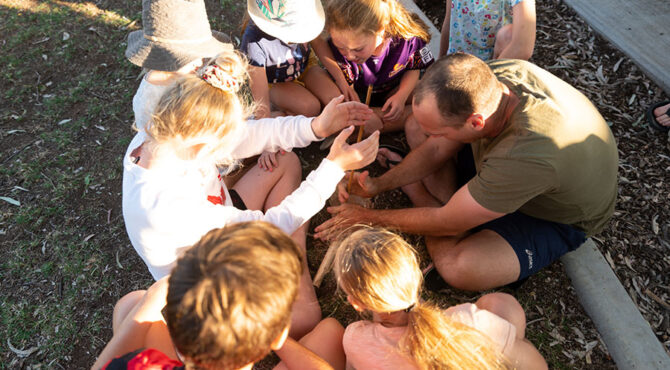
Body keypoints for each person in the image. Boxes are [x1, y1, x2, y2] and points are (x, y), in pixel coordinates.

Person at [122, 49, 378, 337]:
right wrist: (333, 167)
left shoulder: (162, 133)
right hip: (212, 283)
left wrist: (315, 127)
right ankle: (289, 266)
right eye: (224, 140)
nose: (232, 143)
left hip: (220, 230)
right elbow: (268, 224)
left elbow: (250, 135)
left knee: (285, 162)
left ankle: (291, 259)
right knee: (306, 317)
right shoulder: (166, 208)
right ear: (202, 146)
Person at [316, 53, 618, 292]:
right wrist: (378, 186)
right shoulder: (486, 77)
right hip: (511, 168)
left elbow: (447, 223)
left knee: (458, 267)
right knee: (414, 129)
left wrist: (367, 217)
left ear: (475, 123)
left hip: (552, 216)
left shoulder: (524, 155)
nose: (428, 134)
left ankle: (432, 199)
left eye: (438, 131)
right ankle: (454, 203)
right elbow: (436, 149)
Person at [92, 222, 346, 370]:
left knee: (132, 305)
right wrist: (277, 339)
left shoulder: (142, 364)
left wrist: (150, 301)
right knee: (331, 334)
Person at [332, 227, 547, 369]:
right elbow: (538, 367)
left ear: (356, 303)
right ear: (417, 273)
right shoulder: (467, 323)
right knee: (501, 303)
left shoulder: (355, 339)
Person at [241, 0, 342, 171]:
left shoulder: (302, 16)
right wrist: (267, 142)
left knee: (336, 99)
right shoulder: (255, 42)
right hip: (274, 83)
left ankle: (287, 117)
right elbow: (261, 100)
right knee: (310, 107)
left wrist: (341, 80)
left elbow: (318, 45)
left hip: (304, 68)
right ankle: (277, 117)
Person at [314, 0, 435, 135]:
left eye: (358, 49)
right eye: (340, 48)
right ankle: (397, 117)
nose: (349, 55)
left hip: (393, 90)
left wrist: (401, 95)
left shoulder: (408, 40)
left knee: (429, 93)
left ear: (381, 29)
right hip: (360, 94)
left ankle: (370, 124)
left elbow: (414, 68)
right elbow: (348, 87)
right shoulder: (345, 40)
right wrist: (359, 109)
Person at [126, 0, 233, 131]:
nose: (200, 62)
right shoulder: (150, 101)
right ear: (167, 57)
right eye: (191, 55)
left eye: (202, 54)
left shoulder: (190, 71)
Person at [439, 0, 535, 61]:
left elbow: (522, 47)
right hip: (458, 62)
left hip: (494, 70)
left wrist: (486, 83)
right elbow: (449, 21)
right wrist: (438, 64)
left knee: (508, 34)